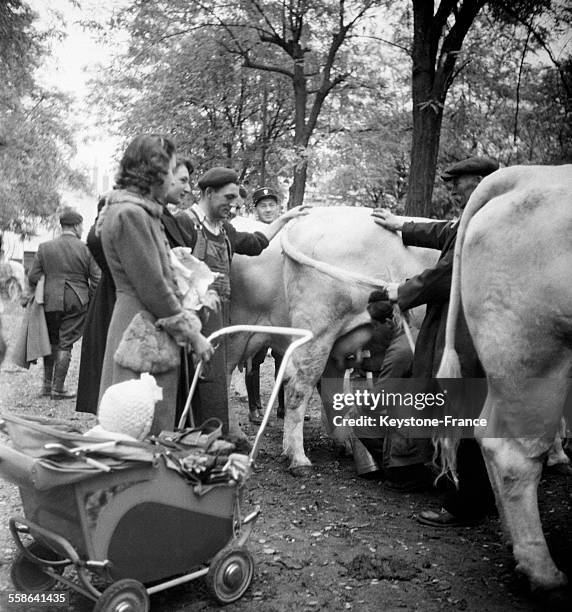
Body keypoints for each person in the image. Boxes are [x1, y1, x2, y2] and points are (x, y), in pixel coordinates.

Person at [370, 155, 499, 526]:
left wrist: (400, 291)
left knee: (460, 411)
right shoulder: (479, 216)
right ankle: (479, 493)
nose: (454, 190)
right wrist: (402, 225)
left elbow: (445, 274)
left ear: (478, 181)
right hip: (464, 325)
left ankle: (463, 503)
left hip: (463, 331)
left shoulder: (482, 221)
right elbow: (444, 231)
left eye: (458, 183)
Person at [175, 167, 309, 433]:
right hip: (188, 315)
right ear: (209, 193)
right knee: (186, 376)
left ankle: (213, 434)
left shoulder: (224, 229)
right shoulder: (184, 223)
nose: (234, 204)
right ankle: (183, 434)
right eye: (229, 197)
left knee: (213, 377)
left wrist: (284, 221)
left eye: (236, 198)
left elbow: (256, 243)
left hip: (219, 313)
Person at [96, 135, 213, 434]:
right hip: (140, 330)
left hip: (142, 325)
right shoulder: (131, 214)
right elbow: (154, 289)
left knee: (143, 430)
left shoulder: (136, 212)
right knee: (137, 431)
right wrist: (193, 335)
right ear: (154, 171)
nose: (175, 179)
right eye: (171, 169)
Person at [76, 156, 197, 415]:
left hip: (152, 314)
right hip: (133, 311)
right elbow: (98, 243)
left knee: (150, 406)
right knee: (129, 406)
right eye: (182, 179)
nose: (187, 188)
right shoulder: (129, 211)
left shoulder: (156, 213)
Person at [27, 209, 100, 399]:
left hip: (50, 300)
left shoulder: (44, 247)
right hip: (77, 300)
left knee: (51, 341)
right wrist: (90, 300)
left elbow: (33, 276)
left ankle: (46, 386)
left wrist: (50, 282)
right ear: (76, 226)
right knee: (65, 343)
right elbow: (97, 279)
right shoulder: (86, 249)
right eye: (81, 226)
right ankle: (58, 389)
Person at [244, 186, 286, 424]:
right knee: (253, 356)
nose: (268, 209)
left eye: (272, 205)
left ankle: (282, 406)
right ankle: (254, 408)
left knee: (282, 356)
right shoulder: (252, 232)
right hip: (257, 302)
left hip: (279, 301)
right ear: (256, 209)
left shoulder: (286, 230)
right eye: (263, 205)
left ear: (278, 207)